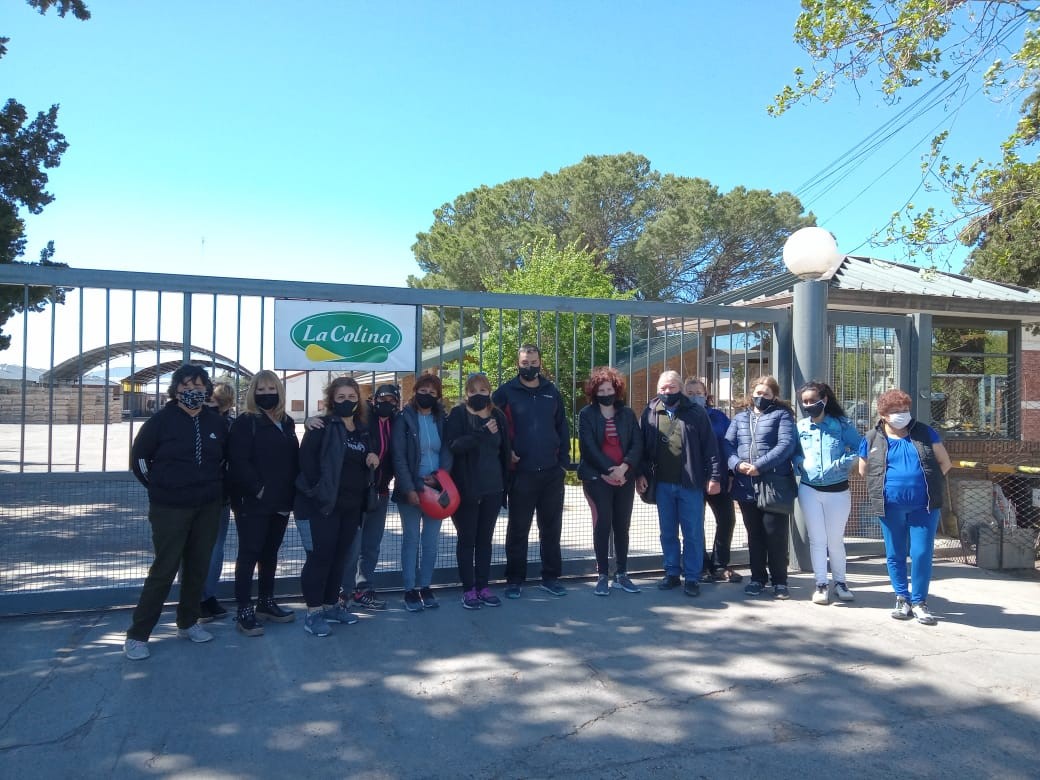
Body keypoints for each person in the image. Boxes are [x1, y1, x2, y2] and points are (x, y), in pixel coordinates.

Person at [124, 364, 229, 660]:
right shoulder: (160, 421)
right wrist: (160, 488)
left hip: (207, 506)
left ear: (207, 389)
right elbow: (141, 461)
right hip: (169, 507)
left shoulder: (217, 422)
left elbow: (224, 461)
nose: (191, 392)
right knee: (165, 568)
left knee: (198, 566)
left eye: (197, 386)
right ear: (175, 390)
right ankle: (138, 635)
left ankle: (188, 622)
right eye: (185, 386)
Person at [858, 388, 951, 625]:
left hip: (925, 506)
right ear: (883, 415)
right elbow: (863, 469)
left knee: (921, 553)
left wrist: (926, 482)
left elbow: (945, 463)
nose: (902, 414)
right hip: (890, 506)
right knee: (895, 553)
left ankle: (920, 602)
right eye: (896, 411)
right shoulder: (871, 437)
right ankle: (902, 598)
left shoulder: (925, 433)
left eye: (905, 410)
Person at [294, 377, 379, 637]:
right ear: (332, 400)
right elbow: (306, 465)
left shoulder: (362, 430)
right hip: (321, 507)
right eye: (341, 397)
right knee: (319, 558)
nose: (347, 401)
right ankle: (313, 613)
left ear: (358, 400)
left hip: (351, 507)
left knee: (339, 559)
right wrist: (318, 495)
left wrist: (371, 459)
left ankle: (331, 606)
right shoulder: (321, 426)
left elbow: (364, 460)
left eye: (352, 397)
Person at [493, 345, 571, 598]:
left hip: (551, 473)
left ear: (540, 362)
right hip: (521, 474)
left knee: (551, 528)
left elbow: (563, 428)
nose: (529, 367)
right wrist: (506, 454)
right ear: (518, 363)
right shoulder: (505, 392)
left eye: (533, 362)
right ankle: (514, 580)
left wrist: (562, 464)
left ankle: (551, 577)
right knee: (518, 529)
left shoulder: (551, 392)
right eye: (525, 362)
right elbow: (491, 426)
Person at [636, 370, 721, 598]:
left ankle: (692, 577)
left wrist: (714, 477)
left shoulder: (696, 413)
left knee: (693, 532)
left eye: (671, 388)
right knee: (667, 532)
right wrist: (641, 474)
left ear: (680, 389)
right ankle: (672, 573)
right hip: (662, 483)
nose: (667, 392)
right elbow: (641, 447)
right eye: (663, 388)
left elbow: (710, 448)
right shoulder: (651, 411)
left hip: (690, 483)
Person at [227, 371, 299, 636]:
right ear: (253, 393)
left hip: (281, 501)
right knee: (249, 553)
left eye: (271, 388)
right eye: (261, 389)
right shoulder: (246, 422)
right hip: (253, 502)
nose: (266, 393)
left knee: (270, 553)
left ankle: (266, 602)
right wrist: (258, 491)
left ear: (279, 391)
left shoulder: (287, 421)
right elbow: (238, 462)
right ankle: (244, 609)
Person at [724, 375, 797, 600]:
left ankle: (780, 581)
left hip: (773, 484)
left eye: (765, 394)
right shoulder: (739, 418)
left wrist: (760, 466)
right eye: (757, 393)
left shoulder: (782, 415)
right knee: (754, 534)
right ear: (751, 394)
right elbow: (727, 445)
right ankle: (757, 578)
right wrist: (737, 464)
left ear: (774, 395)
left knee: (775, 534)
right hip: (746, 485)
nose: (760, 397)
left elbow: (786, 445)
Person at [444, 372, 511, 609]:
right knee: (467, 540)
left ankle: (483, 586)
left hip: (492, 488)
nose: (479, 395)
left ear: (490, 392)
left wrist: (505, 486)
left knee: (485, 540)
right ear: (466, 393)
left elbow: (504, 451)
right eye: (474, 391)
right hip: (466, 490)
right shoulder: (458, 414)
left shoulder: (498, 415)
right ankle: (468, 589)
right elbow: (455, 446)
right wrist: (482, 431)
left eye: (484, 390)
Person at [794, 381, 862, 605]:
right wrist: (800, 463)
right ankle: (821, 584)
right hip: (809, 489)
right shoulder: (801, 427)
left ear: (824, 400)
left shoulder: (842, 424)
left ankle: (841, 582)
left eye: (813, 400)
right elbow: (793, 453)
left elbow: (860, 448)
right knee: (817, 539)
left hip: (838, 490)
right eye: (805, 401)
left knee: (835, 539)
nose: (809, 405)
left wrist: (843, 463)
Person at [578, 367, 643, 596]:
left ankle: (622, 574)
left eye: (609, 389)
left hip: (624, 476)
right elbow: (588, 447)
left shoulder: (627, 414)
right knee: (603, 522)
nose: (606, 393)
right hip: (598, 478)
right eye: (601, 389)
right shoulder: (587, 414)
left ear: (617, 390)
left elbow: (637, 443)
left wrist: (624, 468)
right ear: (594, 392)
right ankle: (603, 574)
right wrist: (608, 470)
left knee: (622, 526)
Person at [339, 383, 400, 612]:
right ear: (374, 400)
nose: (387, 403)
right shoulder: (363, 419)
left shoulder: (397, 422)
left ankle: (364, 589)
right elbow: (334, 420)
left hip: (381, 491)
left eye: (392, 400)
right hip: (359, 491)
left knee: (372, 545)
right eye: (383, 399)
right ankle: (343, 592)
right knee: (352, 546)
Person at [392, 373, 448, 613]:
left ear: (438, 397)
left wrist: (439, 478)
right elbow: (398, 456)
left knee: (431, 541)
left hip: (437, 488)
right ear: (415, 392)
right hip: (412, 489)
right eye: (422, 391)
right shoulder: (403, 419)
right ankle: (409, 590)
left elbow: (448, 451)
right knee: (411, 539)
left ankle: (426, 586)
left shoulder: (442, 419)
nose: (426, 396)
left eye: (432, 393)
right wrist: (410, 487)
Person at [684, 377, 741, 584]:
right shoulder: (680, 417)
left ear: (707, 395)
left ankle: (719, 565)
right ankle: (699, 565)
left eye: (698, 392)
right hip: (691, 481)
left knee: (727, 520)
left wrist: (731, 474)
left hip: (719, 478)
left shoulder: (719, 417)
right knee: (695, 524)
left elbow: (729, 445)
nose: (695, 396)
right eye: (689, 393)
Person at [199, 381, 236, 622]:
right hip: (198, 495)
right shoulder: (195, 422)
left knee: (215, 549)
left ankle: (207, 597)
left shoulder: (230, 425)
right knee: (201, 549)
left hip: (221, 495)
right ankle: (197, 599)